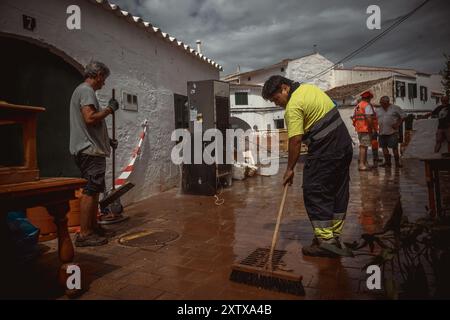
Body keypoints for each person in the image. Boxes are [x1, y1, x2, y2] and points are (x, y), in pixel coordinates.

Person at [262, 76, 353, 258]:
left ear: (284, 88)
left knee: (315, 190)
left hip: (325, 151)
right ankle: (333, 237)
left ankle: (325, 242)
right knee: (337, 190)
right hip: (344, 145)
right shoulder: (310, 89)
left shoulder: (293, 106)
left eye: (275, 99)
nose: (277, 103)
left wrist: (289, 169)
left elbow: (295, 140)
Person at [69, 61, 119, 247]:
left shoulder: (83, 91)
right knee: (90, 190)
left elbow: (90, 125)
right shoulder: (86, 91)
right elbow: (90, 118)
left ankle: (93, 226)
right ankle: (85, 234)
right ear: (97, 75)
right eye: (103, 79)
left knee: (95, 189)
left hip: (91, 149)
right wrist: (109, 109)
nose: (103, 83)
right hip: (89, 150)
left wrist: (107, 141)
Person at [377, 96, 406, 168]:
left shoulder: (395, 108)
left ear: (387, 102)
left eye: (383, 103)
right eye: (381, 103)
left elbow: (404, 116)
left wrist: (398, 124)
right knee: (384, 147)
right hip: (382, 131)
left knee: (394, 148)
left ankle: (397, 163)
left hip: (392, 132)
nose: (382, 104)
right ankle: (387, 163)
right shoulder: (378, 110)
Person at [352, 91, 376, 171]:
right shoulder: (367, 105)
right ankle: (362, 165)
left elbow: (354, 117)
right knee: (363, 147)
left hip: (359, 128)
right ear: (368, 98)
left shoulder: (358, 105)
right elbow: (369, 118)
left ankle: (364, 163)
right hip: (365, 128)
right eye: (370, 98)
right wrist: (372, 128)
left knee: (363, 146)